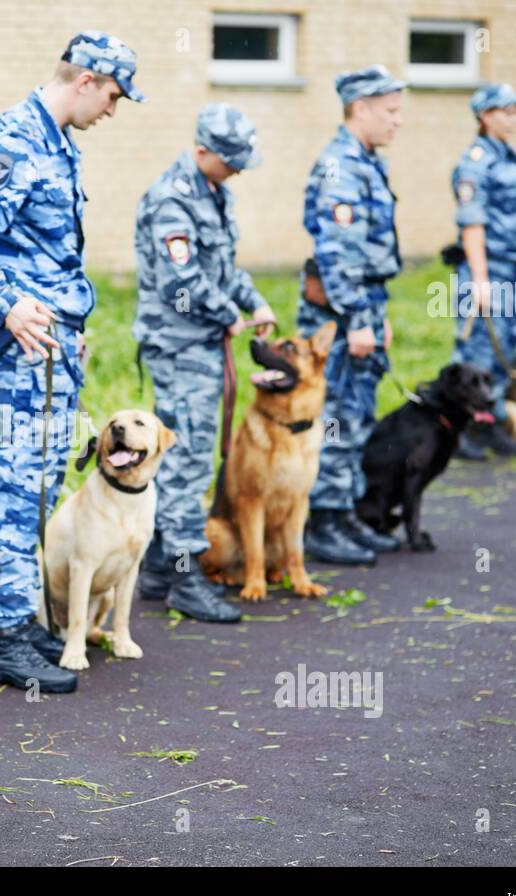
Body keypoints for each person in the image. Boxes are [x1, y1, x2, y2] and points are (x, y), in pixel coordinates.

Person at [0, 32, 144, 694]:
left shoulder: (57, 143)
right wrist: (6, 305)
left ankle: (25, 621)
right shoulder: (14, 137)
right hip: (25, 349)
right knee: (15, 487)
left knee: (39, 484)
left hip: (57, 350)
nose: (113, 109)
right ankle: (4, 636)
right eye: (113, 94)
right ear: (85, 79)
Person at [133, 103, 276, 622]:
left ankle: (153, 567)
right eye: (231, 159)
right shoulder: (172, 199)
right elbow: (181, 284)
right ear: (201, 151)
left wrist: (253, 302)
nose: (238, 168)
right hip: (179, 345)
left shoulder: (215, 193)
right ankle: (183, 574)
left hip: (200, 346)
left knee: (183, 452)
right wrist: (225, 315)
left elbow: (222, 267)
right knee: (186, 458)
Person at [296, 66, 406, 567]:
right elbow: (337, 252)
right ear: (359, 108)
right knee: (336, 414)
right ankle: (323, 521)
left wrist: (374, 314)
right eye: (390, 110)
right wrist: (358, 318)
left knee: (356, 412)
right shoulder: (340, 166)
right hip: (340, 317)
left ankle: (344, 513)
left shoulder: (364, 162)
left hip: (361, 306)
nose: (397, 121)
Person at [449, 83, 516, 459]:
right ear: (485, 116)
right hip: (487, 269)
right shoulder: (475, 161)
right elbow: (472, 223)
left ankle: (490, 425)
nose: (513, 118)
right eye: (506, 111)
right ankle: (459, 429)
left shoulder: (511, 158)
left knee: (505, 348)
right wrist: (480, 281)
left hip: (513, 267)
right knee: (477, 354)